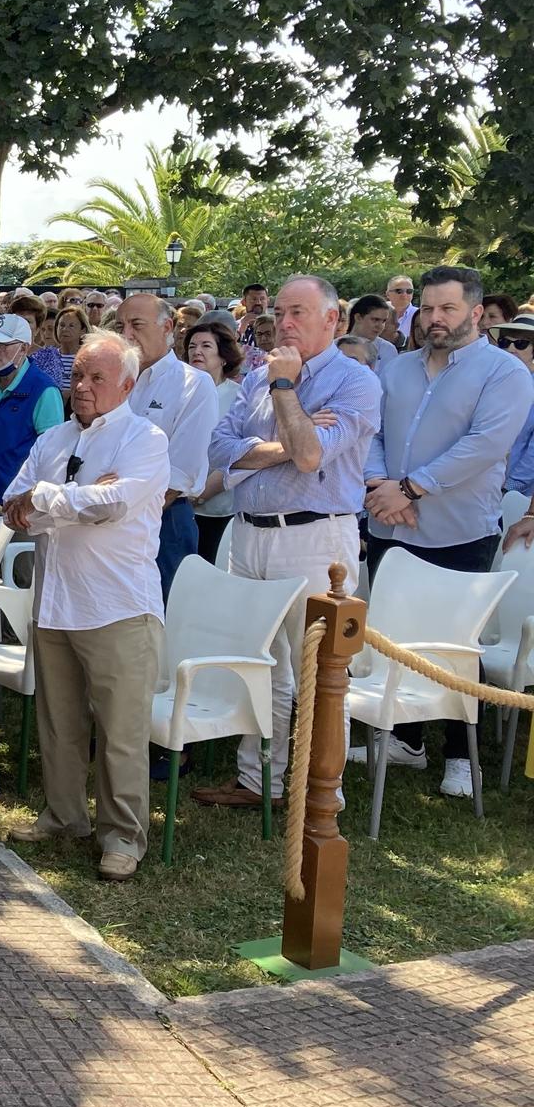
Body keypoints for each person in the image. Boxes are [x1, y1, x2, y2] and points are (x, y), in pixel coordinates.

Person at [195, 275, 380, 813]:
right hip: (250, 531)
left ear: (333, 320)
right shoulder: (257, 376)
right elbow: (218, 447)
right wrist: (281, 442)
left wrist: (285, 389)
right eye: (281, 310)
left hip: (316, 539)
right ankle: (260, 780)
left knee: (322, 671)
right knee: (260, 661)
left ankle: (324, 792)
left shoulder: (354, 382)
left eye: (299, 311)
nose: (286, 321)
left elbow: (310, 457)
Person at [1, 333, 169, 881]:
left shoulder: (145, 440)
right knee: (59, 722)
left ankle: (122, 835)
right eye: (77, 376)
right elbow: (12, 506)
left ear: (127, 384)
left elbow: (113, 503)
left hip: (117, 605)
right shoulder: (51, 438)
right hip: (55, 601)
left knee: (120, 730)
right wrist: (72, 500)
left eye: (97, 378)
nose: (82, 387)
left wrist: (50, 500)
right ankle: (64, 814)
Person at [361, 265, 533, 797]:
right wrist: (380, 484)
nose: (434, 319)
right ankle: (406, 740)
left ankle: (462, 755)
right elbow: (373, 431)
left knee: (456, 646)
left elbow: (483, 445)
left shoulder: (504, 373)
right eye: (428, 308)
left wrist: (410, 489)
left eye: (448, 309)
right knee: (393, 636)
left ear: (477, 313)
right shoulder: (397, 369)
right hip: (390, 523)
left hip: (460, 531)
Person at [115, 295, 216, 597]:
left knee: (160, 621)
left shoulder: (193, 384)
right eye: (121, 326)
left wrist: (119, 517)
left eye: (136, 325)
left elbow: (180, 472)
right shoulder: (117, 380)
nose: (127, 335)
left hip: (162, 520)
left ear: (167, 327)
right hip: (113, 517)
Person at [0, 314, 65, 515]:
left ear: (24, 348)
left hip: (18, 507)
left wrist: (31, 499)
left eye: (2, 345)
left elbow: (54, 457)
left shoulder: (44, 391)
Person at [182, 319, 245, 564]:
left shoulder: (238, 396)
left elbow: (240, 452)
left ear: (224, 356)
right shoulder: (178, 391)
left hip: (219, 508)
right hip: (177, 505)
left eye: (206, 346)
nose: (197, 351)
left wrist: (203, 492)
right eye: (192, 346)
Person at [496, 315, 534, 507]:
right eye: (504, 342)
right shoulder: (490, 381)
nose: (511, 349)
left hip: (520, 496)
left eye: (520, 344)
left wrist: (510, 487)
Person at [347, 294, 401, 372]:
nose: (380, 326)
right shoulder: (335, 346)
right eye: (375, 320)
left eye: (383, 321)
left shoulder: (388, 350)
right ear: (358, 317)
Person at [52, 303, 91, 389]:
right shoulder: (47, 357)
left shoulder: (89, 358)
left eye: (71, 326)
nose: (65, 329)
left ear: (83, 330)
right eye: (61, 325)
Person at [386, 274, 416, 344]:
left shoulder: (419, 315)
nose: (404, 295)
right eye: (399, 291)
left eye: (409, 291)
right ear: (387, 294)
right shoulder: (379, 314)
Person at [237, 283, 270, 347]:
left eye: (262, 299)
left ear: (268, 301)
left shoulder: (276, 326)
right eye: (253, 299)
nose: (258, 302)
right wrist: (241, 328)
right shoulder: (234, 327)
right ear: (243, 302)